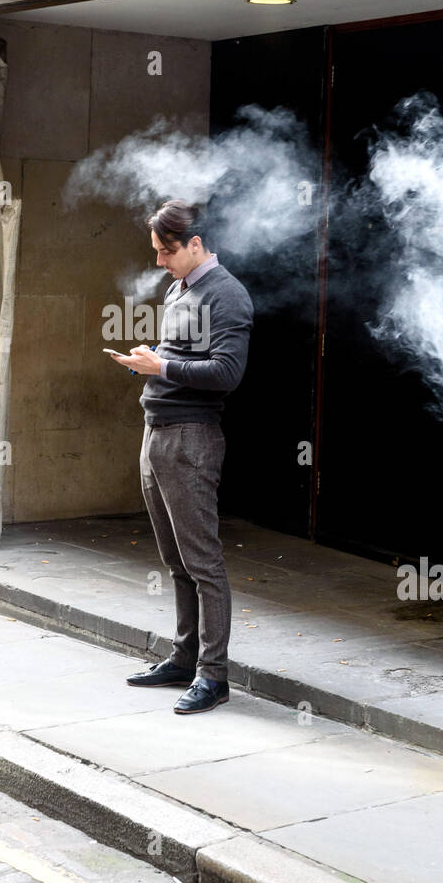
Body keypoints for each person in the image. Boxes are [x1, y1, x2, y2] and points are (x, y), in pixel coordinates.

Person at [106, 199, 254, 714]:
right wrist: (146, 363)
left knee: (202, 562)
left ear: (196, 244)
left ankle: (213, 677)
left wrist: (161, 367)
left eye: (167, 251)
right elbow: (184, 360)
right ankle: (185, 657)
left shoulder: (228, 294)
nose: (159, 262)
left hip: (191, 439)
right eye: (156, 251)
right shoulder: (180, 288)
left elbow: (226, 373)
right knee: (175, 561)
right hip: (157, 433)